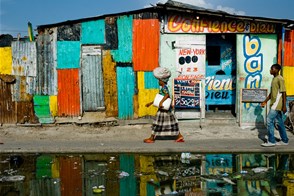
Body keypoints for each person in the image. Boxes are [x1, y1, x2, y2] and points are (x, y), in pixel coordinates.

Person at [143, 67, 184, 143]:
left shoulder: (164, 88)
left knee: (157, 123)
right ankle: (179, 136)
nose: (158, 82)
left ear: (162, 81)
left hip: (163, 110)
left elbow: (166, 95)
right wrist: (150, 103)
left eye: (159, 80)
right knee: (172, 123)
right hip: (166, 110)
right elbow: (159, 97)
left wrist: (161, 103)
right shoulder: (162, 88)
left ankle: (152, 138)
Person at [261, 63, 289, 147]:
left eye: (272, 69)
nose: (270, 70)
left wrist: (284, 106)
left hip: (277, 104)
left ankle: (271, 141)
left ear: (277, 70)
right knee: (279, 122)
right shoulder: (274, 79)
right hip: (274, 103)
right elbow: (272, 93)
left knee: (269, 120)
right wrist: (265, 101)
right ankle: (284, 140)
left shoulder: (280, 79)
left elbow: (284, 92)